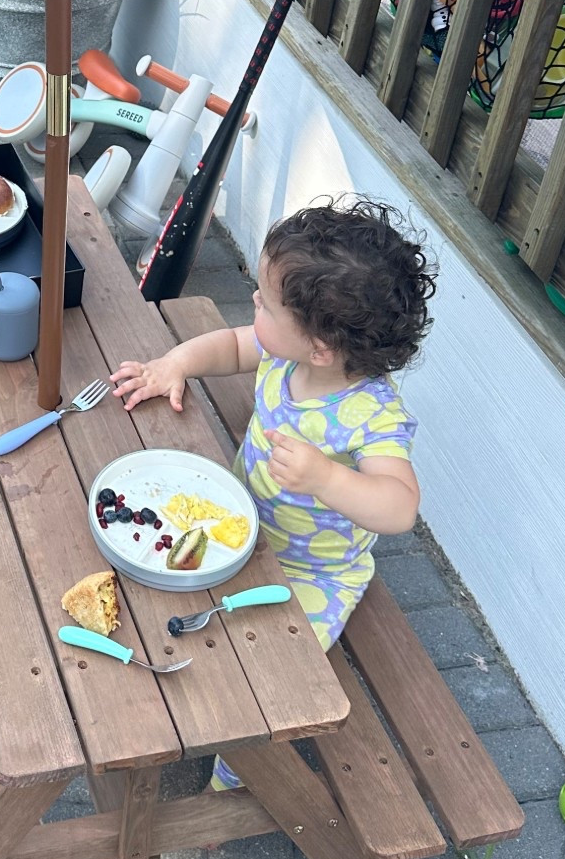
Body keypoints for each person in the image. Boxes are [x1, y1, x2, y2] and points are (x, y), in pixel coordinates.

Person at [111, 198, 435, 789]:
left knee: (270, 675)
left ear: (321, 347)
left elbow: (399, 506)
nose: (252, 302)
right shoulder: (286, 357)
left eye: (264, 301)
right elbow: (234, 346)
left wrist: (328, 478)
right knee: (155, 589)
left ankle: (239, 775)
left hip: (313, 571)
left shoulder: (370, 415)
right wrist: (175, 364)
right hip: (241, 522)